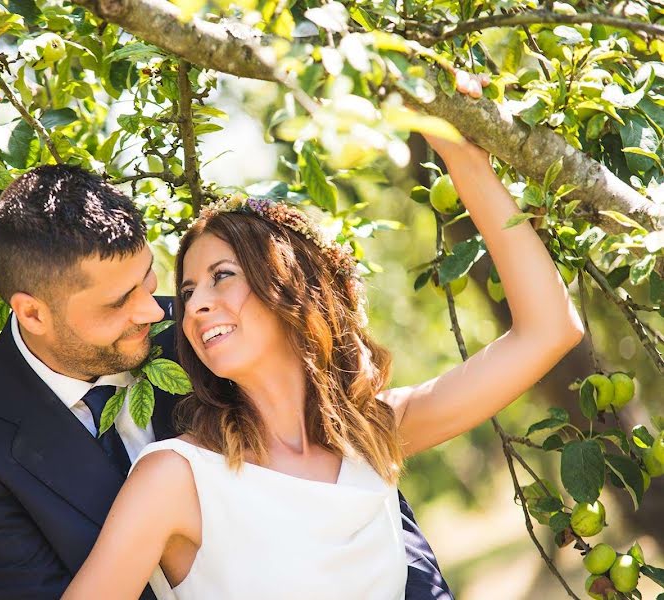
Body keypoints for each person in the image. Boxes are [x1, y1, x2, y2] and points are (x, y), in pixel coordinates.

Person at [57, 116, 586, 598]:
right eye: (189, 289)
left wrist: (461, 154)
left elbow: (549, 329)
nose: (194, 305)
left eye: (222, 277)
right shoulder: (174, 478)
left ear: (290, 286)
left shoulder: (373, 434)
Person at [0, 163, 452, 598]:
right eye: (120, 302)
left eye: (149, 281)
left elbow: (350, 482)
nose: (153, 312)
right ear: (33, 314)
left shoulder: (208, 334)